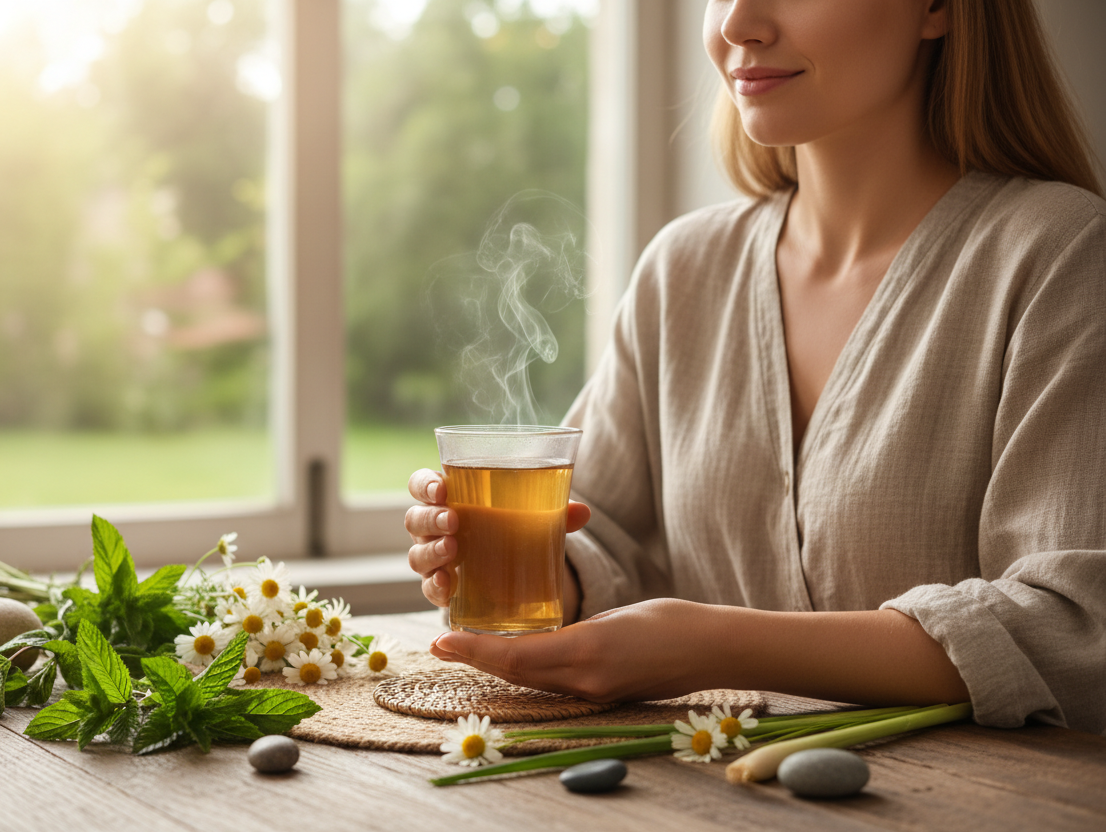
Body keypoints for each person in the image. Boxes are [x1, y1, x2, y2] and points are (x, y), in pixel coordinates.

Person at [405, 0, 1105, 733]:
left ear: (936, 8)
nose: (738, 22)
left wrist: (711, 646)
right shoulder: (684, 270)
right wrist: (506, 556)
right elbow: (599, 533)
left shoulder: (1061, 254)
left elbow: (1076, 628)